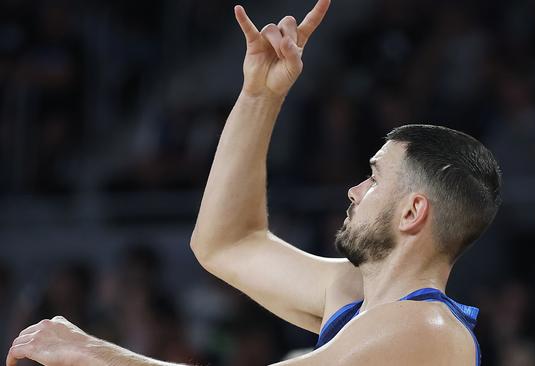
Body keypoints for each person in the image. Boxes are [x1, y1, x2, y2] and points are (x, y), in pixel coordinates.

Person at [6, 0, 502, 364]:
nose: (353, 190)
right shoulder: (353, 292)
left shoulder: (428, 329)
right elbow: (226, 244)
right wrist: (259, 96)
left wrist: (89, 353)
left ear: (413, 211)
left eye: (373, 178)